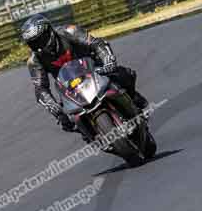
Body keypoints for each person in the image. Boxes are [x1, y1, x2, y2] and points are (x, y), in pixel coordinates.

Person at [20, 14, 149, 142]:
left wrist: (108, 60)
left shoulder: (69, 31)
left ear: (49, 31)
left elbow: (96, 43)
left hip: (95, 69)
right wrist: (52, 106)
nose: (39, 45)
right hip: (69, 87)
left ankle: (136, 103)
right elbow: (40, 87)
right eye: (33, 43)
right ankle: (92, 136)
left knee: (124, 75)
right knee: (66, 122)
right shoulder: (34, 60)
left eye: (40, 39)